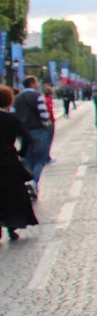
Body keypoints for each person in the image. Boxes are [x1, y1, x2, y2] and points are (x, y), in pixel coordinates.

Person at [0, 85, 38, 241]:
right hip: (9, 161)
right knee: (12, 196)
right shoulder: (12, 119)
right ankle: (11, 227)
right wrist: (20, 153)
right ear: (9, 101)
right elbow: (27, 139)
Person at [13, 76, 51, 199]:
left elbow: (13, 114)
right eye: (36, 82)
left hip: (23, 132)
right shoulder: (37, 96)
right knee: (41, 158)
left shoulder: (17, 98)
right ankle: (33, 182)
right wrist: (46, 126)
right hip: (37, 130)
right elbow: (44, 114)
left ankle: (29, 183)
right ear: (32, 83)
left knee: (28, 159)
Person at [43, 85, 57, 163]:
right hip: (49, 121)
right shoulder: (49, 100)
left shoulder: (44, 100)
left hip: (46, 121)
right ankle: (47, 157)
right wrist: (52, 120)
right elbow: (50, 112)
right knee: (49, 140)